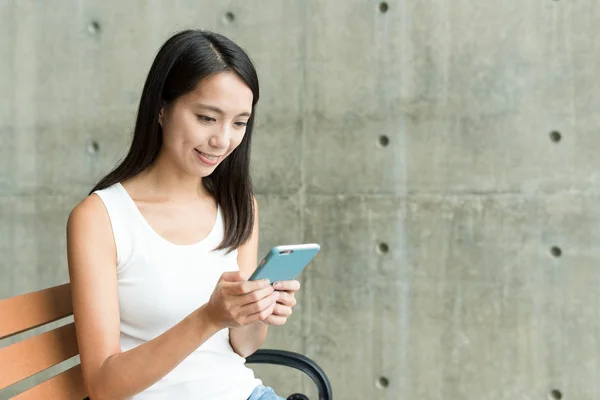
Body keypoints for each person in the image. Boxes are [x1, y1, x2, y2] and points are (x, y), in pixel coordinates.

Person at [66, 29, 299, 400]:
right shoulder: (101, 218)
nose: (223, 140)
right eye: (207, 118)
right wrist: (208, 318)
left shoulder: (238, 205)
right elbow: (103, 385)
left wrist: (258, 310)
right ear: (161, 108)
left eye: (239, 123)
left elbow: (244, 347)